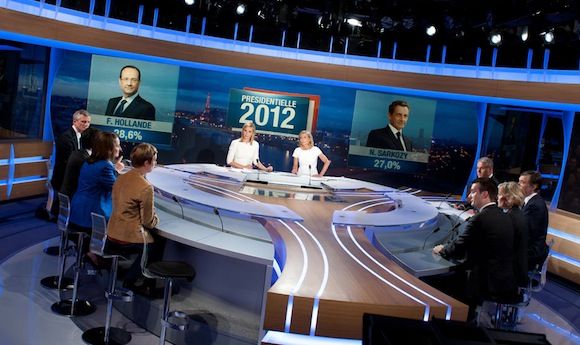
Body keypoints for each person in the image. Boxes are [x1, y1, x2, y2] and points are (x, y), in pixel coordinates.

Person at [433, 178, 517, 318]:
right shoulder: (505, 216)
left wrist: (442, 249)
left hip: (484, 280)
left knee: (440, 280)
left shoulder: (480, 218)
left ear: (484, 194)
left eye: (473, 192)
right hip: (502, 278)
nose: (469, 196)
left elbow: (458, 246)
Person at [106, 143, 164, 296]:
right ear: (147, 163)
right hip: (127, 237)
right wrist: (156, 220)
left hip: (111, 232)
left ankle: (141, 282)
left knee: (153, 242)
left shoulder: (121, 178)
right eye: (155, 160)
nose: (155, 163)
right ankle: (133, 281)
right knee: (156, 244)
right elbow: (147, 221)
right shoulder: (145, 187)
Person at [69, 131, 123, 233]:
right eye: (117, 146)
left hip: (78, 211)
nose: (120, 149)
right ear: (108, 148)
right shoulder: (106, 166)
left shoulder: (88, 161)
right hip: (92, 216)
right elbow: (117, 189)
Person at [50, 109, 91, 217]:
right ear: (74, 122)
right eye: (83, 122)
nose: (86, 125)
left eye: (88, 122)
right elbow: (70, 161)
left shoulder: (82, 137)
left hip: (72, 173)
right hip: (63, 175)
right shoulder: (66, 138)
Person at [497, 181, 529, 287]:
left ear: (506, 198)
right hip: (517, 273)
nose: (497, 197)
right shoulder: (519, 214)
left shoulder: (509, 218)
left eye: (499, 194)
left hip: (509, 278)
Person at [518, 170, 549, 270]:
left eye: (522, 182)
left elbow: (527, 233)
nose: (518, 185)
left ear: (534, 186)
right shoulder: (530, 201)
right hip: (530, 248)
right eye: (519, 182)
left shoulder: (535, 205)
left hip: (531, 253)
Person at [60, 127, 100, 198]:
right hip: (74, 198)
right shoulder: (84, 160)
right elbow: (95, 179)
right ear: (95, 143)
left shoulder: (77, 153)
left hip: (67, 195)